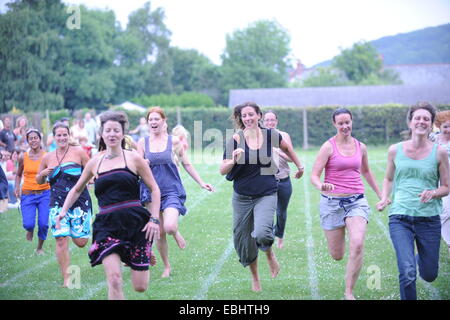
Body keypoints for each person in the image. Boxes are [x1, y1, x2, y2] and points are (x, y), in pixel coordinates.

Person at [55, 111, 161, 300]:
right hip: (107, 224)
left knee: (140, 287)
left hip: (136, 223)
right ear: (101, 134)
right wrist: (63, 211)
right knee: (114, 279)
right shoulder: (95, 162)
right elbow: (77, 189)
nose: (112, 134)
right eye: (108, 130)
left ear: (122, 133)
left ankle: (130, 254)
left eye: (116, 130)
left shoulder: (134, 158)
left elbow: (154, 189)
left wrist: (153, 219)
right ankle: (123, 253)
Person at [220, 102, 304, 292]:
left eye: (251, 114)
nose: (248, 118)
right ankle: (255, 277)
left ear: (259, 115)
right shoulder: (235, 139)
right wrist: (233, 159)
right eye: (244, 116)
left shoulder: (270, 135)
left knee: (262, 233)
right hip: (242, 197)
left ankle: (269, 254)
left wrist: (300, 166)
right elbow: (222, 169)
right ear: (240, 118)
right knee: (243, 240)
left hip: (266, 193)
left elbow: (288, 148)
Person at [377, 102, 449, 300]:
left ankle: (418, 261)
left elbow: (446, 186)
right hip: (400, 218)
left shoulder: (439, 152)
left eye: (426, 118)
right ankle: (409, 263)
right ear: (410, 122)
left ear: (431, 124)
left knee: (429, 274)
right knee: (407, 273)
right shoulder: (395, 150)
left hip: (429, 219)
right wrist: (385, 197)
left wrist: (433, 193)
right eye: (417, 118)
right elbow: (388, 178)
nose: (421, 121)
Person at [310, 107, 382, 300]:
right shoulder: (328, 147)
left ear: (352, 122)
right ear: (334, 124)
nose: (345, 126)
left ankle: (348, 292)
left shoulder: (361, 147)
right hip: (332, 203)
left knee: (357, 243)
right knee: (337, 255)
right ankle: (346, 279)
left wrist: (380, 194)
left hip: (356, 201)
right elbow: (314, 175)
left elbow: (366, 172)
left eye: (347, 122)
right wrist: (321, 185)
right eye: (340, 123)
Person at [138, 106, 214, 278]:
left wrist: (201, 182)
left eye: (157, 119)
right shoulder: (143, 143)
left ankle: (175, 232)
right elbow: (136, 166)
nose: (153, 122)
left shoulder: (174, 142)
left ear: (164, 121)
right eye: (151, 119)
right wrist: (143, 164)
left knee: (170, 226)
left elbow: (186, 164)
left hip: (171, 189)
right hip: (151, 191)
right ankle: (166, 267)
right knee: (159, 233)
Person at [37, 121, 92, 287]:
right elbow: (39, 180)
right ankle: (67, 279)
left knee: (81, 242)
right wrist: (42, 174)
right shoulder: (47, 157)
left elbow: (92, 170)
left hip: (80, 201)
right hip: (56, 203)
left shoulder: (79, 153)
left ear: (69, 136)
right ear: (54, 137)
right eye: (59, 135)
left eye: (64, 135)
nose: (62, 138)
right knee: (61, 239)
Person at [15, 129, 51, 254]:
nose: (33, 140)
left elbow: (52, 175)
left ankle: (39, 248)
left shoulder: (47, 156)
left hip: (44, 193)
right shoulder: (22, 157)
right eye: (31, 138)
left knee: (43, 224)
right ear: (27, 141)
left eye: (36, 138)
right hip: (27, 194)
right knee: (29, 224)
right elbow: (18, 174)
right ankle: (30, 229)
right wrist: (16, 187)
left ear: (40, 139)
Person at [263, 111, 294, 249]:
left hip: (284, 179)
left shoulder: (284, 136)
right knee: (267, 211)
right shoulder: (259, 136)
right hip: (267, 180)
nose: (270, 123)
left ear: (277, 121)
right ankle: (266, 238)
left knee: (281, 212)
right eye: (267, 120)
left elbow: (291, 158)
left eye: (272, 120)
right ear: (263, 122)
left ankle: (280, 235)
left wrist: (279, 152)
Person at [429, 110, 450, 255]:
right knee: (445, 212)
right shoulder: (434, 140)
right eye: (446, 127)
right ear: (439, 127)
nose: (449, 130)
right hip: (442, 181)